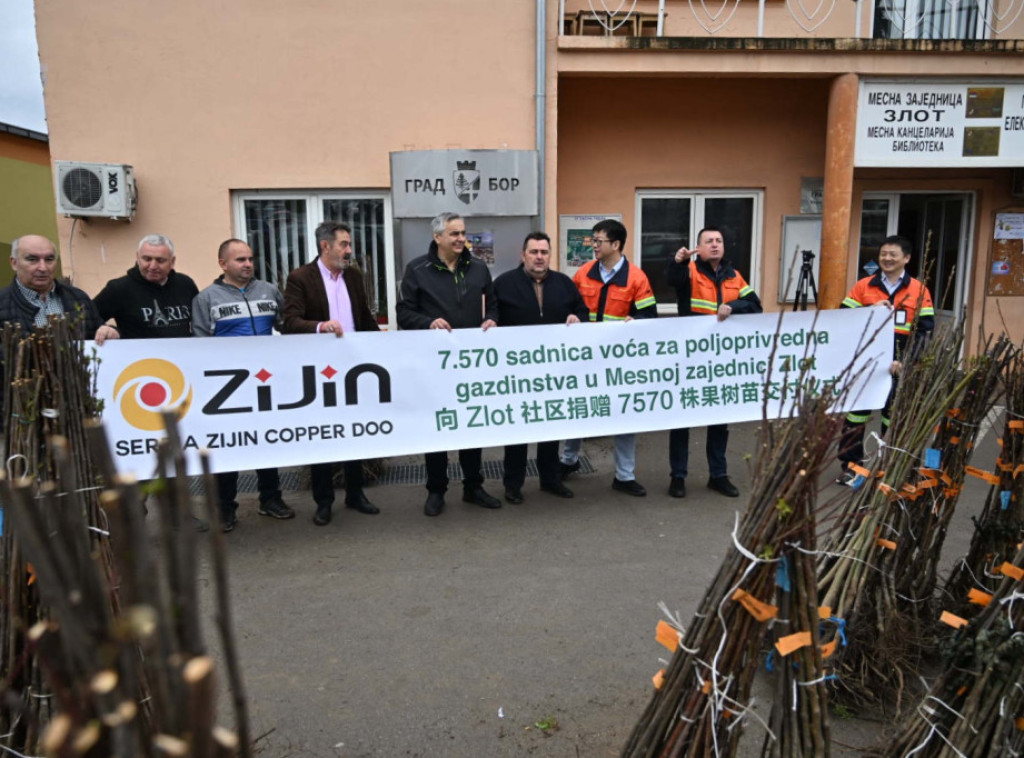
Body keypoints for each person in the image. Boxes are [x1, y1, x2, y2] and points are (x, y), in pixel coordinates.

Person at [396, 211, 501, 517]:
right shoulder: (417, 269)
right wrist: (428, 322)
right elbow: (404, 313)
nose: (461, 239)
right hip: (435, 365)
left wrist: (492, 318)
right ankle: (436, 490)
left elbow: (493, 304)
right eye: (454, 234)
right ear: (437, 237)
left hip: (471, 363)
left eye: (463, 233)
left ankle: (473, 486)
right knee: (438, 426)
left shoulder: (478, 268)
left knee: (472, 425)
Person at [282, 221, 381, 526]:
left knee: (354, 433)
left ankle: (355, 494)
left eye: (349, 244)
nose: (349, 250)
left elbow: (363, 317)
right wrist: (320, 326)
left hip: (353, 368)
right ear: (325, 246)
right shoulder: (301, 278)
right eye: (344, 244)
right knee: (323, 437)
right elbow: (290, 322)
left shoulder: (353, 276)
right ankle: (323, 501)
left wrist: (385, 346)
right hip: (320, 372)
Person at [192, 239, 294, 531]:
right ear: (223, 264)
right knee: (228, 447)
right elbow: (199, 344)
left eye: (250, 258)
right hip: (227, 388)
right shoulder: (206, 298)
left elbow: (286, 327)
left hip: (264, 383)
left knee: (267, 441)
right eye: (240, 260)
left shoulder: (269, 290)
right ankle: (225, 509)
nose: (248, 264)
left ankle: (271, 499)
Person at [560, 218, 657, 497]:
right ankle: (568, 460)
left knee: (624, 414)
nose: (593, 245)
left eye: (598, 241)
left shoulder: (637, 278)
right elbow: (570, 306)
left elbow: (649, 314)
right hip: (585, 357)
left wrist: (636, 321)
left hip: (619, 362)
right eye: (593, 240)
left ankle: (624, 476)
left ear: (615, 244)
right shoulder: (584, 273)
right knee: (578, 407)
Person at [665, 226, 762, 499]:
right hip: (691, 356)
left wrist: (734, 306)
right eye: (709, 241)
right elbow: (672, 280)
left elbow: (755, 305)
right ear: (699, 247)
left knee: (719, 419)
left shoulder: (734, 275)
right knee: (682, 418)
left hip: (721, 360)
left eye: (719, 240)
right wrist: (678, 261)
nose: (715, 245)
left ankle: (718, 475)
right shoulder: (689, 270)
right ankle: (678, 476)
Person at [493, 231, 586, 504]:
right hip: (517, 374)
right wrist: (491, 322)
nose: (539, 257)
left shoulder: (564, 284)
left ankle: (551, 479)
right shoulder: (504, 283)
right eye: (534, 252)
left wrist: (577, 317)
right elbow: (492, 313)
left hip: (554, 374)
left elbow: (582, 312)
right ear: (523, 255)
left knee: (551, 428)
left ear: (550, 255)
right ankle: (513, 484)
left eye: (544, 252)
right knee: (517, 431)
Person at [836, 234, 934, 485]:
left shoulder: (919, 290)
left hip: (898, 365)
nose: (887, 258)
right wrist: (869, 310)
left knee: (893, 417)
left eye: (893, 254)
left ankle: (889, 468)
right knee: (855, 417)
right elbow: (842, 318)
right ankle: (851, 466)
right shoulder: (863, 286)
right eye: (883, 254)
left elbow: (925, 332)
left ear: (906, 258)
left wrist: (907, 361)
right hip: (865, 363)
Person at [0, 235, 110, 339]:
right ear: (14, 263)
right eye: (33, 259)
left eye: (49, 259)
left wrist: (109, 333)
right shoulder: (3, 304)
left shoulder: (78, 298)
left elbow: (98, 336)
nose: (43, 268)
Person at [93, 234, 198, 340]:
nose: (153, 266)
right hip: (136, 351)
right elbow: (88, 321)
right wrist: (111, 330)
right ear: (138, 258)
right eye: (147, 259)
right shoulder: (119, 288)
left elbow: (201, 322)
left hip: (182, 350)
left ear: (172, 261)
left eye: (160, 260)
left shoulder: (185, 284)